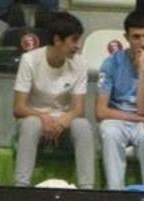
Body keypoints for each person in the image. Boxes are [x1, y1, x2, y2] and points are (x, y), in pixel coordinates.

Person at [11, 11, 94, 189]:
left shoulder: (80, 63)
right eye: (74, 40)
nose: (78, 46)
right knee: (32, 123)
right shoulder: (30, 60)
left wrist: (64, 120)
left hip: (61, 125)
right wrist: (43, 117)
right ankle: (21, 186)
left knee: (83, 126)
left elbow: (79, 109)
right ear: (57, 40)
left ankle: (87, 189)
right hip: (34, 122)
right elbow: (18, 108)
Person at [96, 8, 144, 190]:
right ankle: (115, 194)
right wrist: (139, 118)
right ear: (127, 37)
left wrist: (142, 70)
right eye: (136, 37)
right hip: (117, 120)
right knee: (108, 131)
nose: (143, 42)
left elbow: (143, 107)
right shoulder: (111, 63)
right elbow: (101, 112)